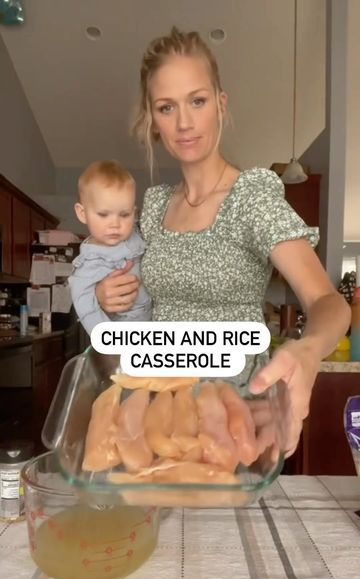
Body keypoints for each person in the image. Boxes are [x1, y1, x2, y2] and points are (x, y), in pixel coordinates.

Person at [95, 27, 350, 458]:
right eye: (166, 107)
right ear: (152, 120)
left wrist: (307, 351)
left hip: (234, 422)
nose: (184, 122)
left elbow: (329, 301)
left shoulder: (251, 196)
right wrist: (108, 297)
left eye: (197, 100)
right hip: (159, 417)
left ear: (220, 103)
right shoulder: (155, 206)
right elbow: (143, 304)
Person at [68, 160, 152, 335]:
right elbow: (86, 309)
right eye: (103, 214)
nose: (115, 224)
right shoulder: (89, 263)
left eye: (124, 214)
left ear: (134, 212)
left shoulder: (137, 233)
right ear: (82, 213)